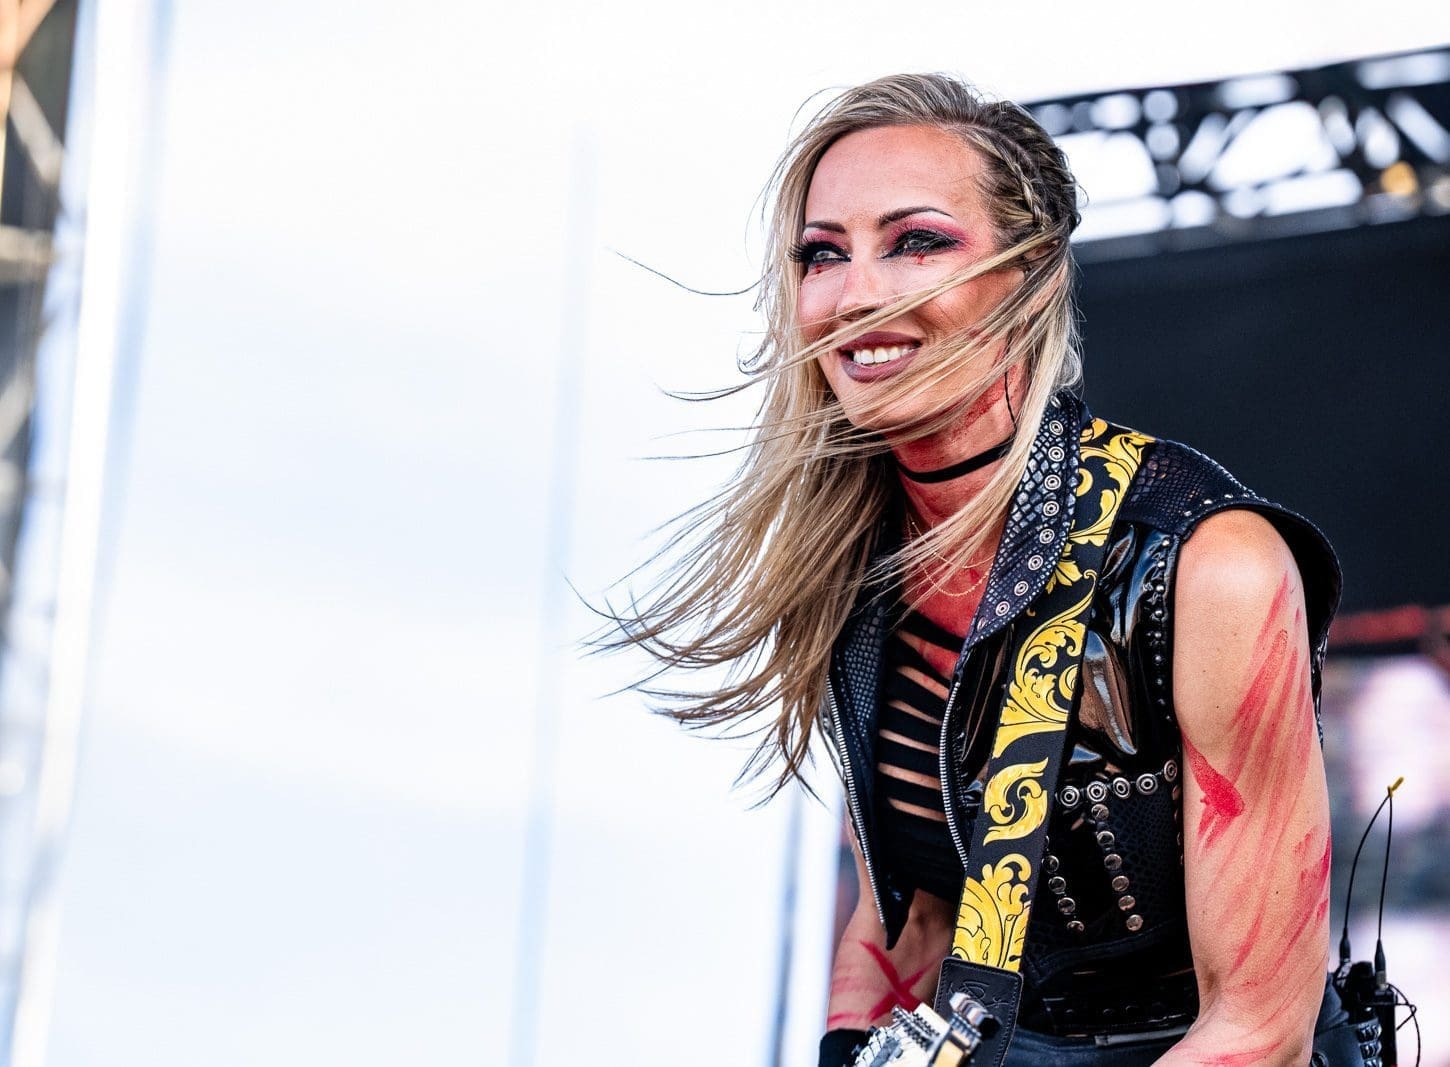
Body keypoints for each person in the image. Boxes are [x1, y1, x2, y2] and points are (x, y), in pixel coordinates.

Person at [605, 74, 1357, 1065]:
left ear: (1029, 271)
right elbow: (909, 907)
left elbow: (1258, 1027)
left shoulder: (1209, 565)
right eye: (821, 253)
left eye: (916, 240)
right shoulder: (857, 566)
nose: (855, 291)